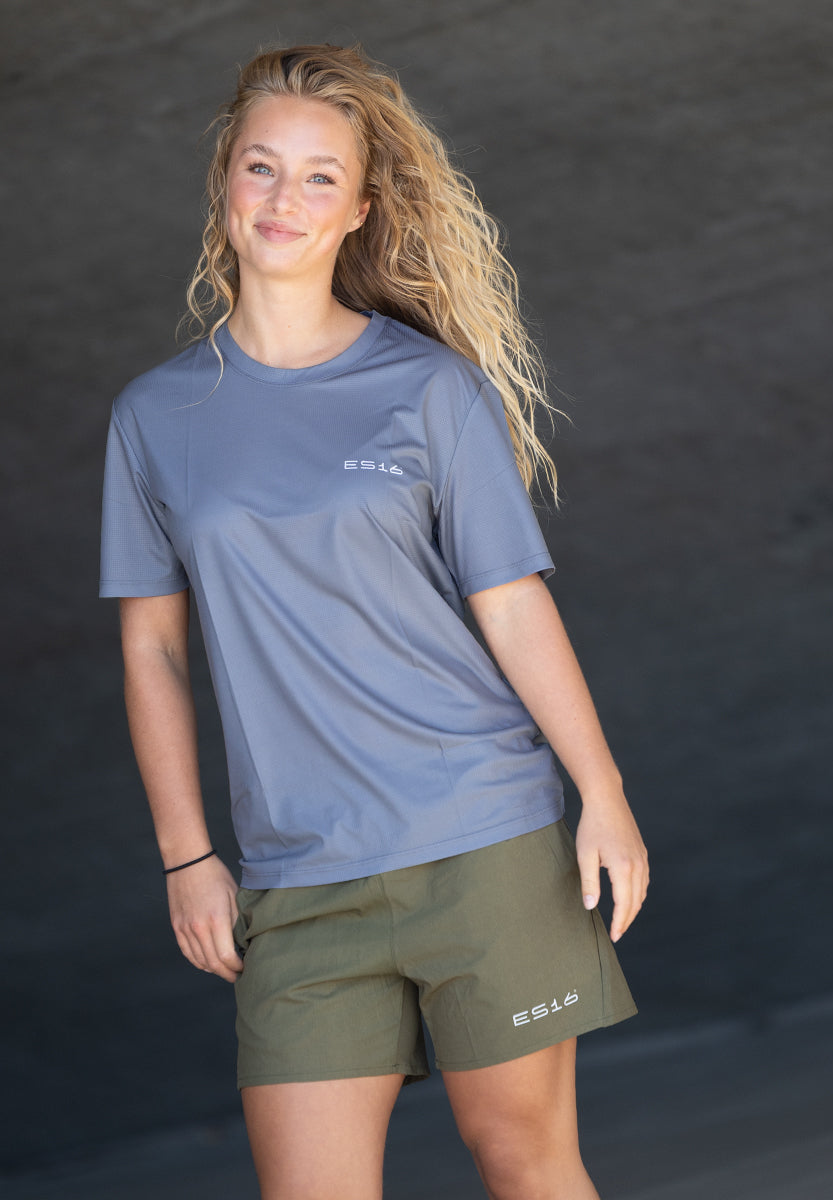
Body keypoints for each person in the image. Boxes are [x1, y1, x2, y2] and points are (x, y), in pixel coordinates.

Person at [100, 43, 648, 1200]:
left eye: (318, 177)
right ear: (225, 181)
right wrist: (186, 856)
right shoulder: (155, 418)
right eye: (262, 166)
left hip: (480, 837)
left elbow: (512, 602)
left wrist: (600, 790)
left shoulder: (429, 388)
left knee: (528, 1163)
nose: (283, 198)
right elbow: (151, 648)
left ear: (358, 209)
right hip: (298, 879)